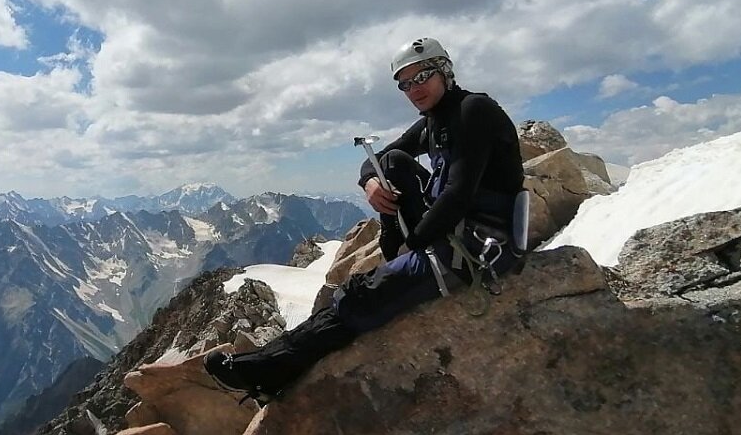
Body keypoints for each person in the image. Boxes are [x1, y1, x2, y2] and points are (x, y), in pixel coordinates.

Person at [205, 37, 525, 402]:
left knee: (359, 297)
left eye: (422, 76)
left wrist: (413, 245)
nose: (414, 88)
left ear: (445, 71)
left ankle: (266, 369)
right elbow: (385, 158)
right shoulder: (436, 121)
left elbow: (458, 193)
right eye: (405, 83)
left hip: (479, 249)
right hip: (456, 231)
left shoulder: (472, 111)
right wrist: (370, 182)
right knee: (389, 165)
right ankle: (395, 261)